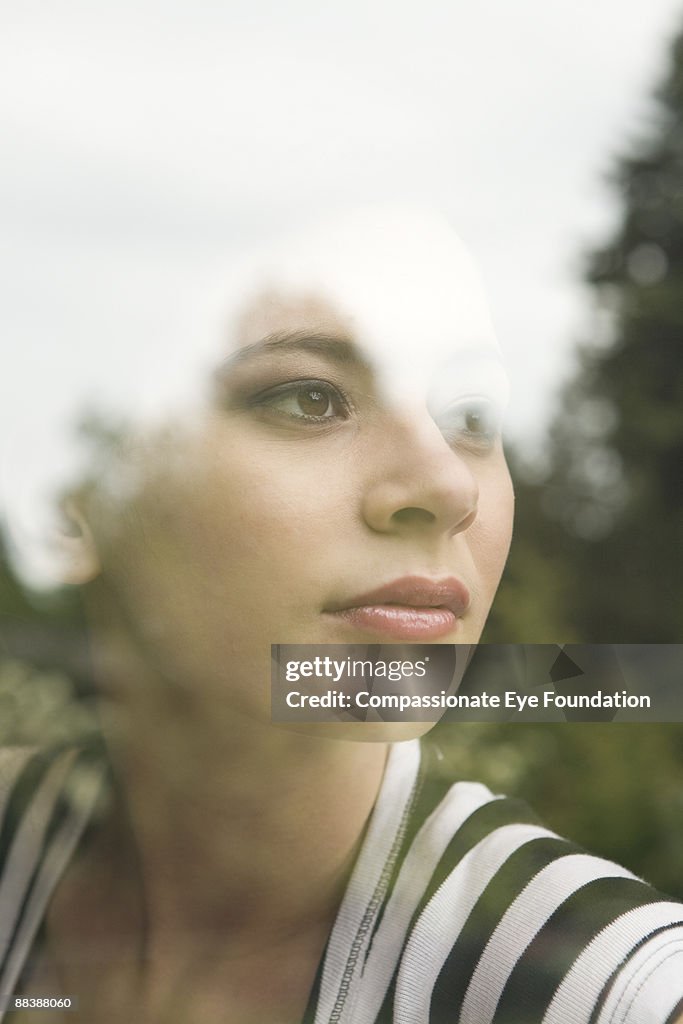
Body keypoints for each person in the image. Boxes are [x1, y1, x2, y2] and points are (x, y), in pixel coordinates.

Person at [2, 208, 682, 1023]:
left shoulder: (611, 993)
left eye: (471, 416)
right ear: (79, 497)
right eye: (309, 399)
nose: (448, 487)